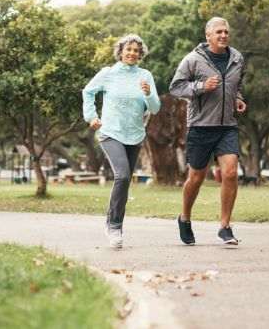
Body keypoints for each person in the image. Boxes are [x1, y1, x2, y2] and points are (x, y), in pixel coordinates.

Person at [169, 17, 247, 245]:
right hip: (201, 127)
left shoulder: (237, 58)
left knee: (231, 172)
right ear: (208, 36)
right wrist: (202, 86)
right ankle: (184, 218)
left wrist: (238, 98)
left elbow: (237, 83)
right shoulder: (193, 60)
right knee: (196, 178)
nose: (223, 35)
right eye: (219, 32)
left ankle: (225, 226)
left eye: (226, 32)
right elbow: (176, 87)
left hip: (227, 126)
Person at [82, 34, 161, 249]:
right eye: (129, 49)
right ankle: (114, 226)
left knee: (125, 181)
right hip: (110, 132)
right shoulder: (108, 74)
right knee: (123, 175)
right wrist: (91, 116)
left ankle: (114, 221)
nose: (132, 53)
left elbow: (154, 108)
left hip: (135, 135)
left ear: (140, 54)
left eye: (136, 50)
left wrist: (148, 94)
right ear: (121, 51)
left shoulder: (145, 75)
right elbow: (88, 92)